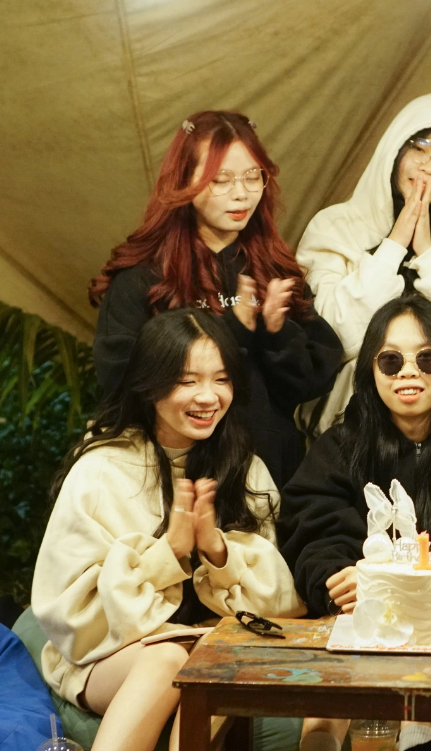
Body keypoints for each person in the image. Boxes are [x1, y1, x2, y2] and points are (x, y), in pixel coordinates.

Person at [34, 310, 305, 751]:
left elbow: (280, 604)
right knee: (170, 660)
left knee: (215, 656)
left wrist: (217, 551)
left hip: (208, 655)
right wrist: (169, 554)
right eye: (188, 381)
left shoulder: (243, 469)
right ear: (150, 385)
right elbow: (69, 611)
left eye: (221, 380)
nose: (208, 397)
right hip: (105, 658)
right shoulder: (101, 468)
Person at [277, 294, 431, 751]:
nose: (409, 373)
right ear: (370, 370)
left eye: (427, 358)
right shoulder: (338, 446)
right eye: (390, 359)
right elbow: (312, 534)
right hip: (356, 623)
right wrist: (336, 577)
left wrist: (409, 574)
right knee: (339, 681)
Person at [91, 110, 343, 488]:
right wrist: (232, 332)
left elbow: (315, 378)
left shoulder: (274, 271)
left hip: (271, 479)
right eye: (220, 180)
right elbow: (121, 381)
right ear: (184, 183)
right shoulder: (144, 278)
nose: (240, 193)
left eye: (252, 176)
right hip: (174, 481)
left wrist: (277, 333)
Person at [295, 90, 431, 434]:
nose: (429, 168)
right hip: (341, 435)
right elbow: (333, 338)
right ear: (395, 149)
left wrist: (428, 254)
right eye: (419, 149)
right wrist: (393, 246)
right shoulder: (334, 226)